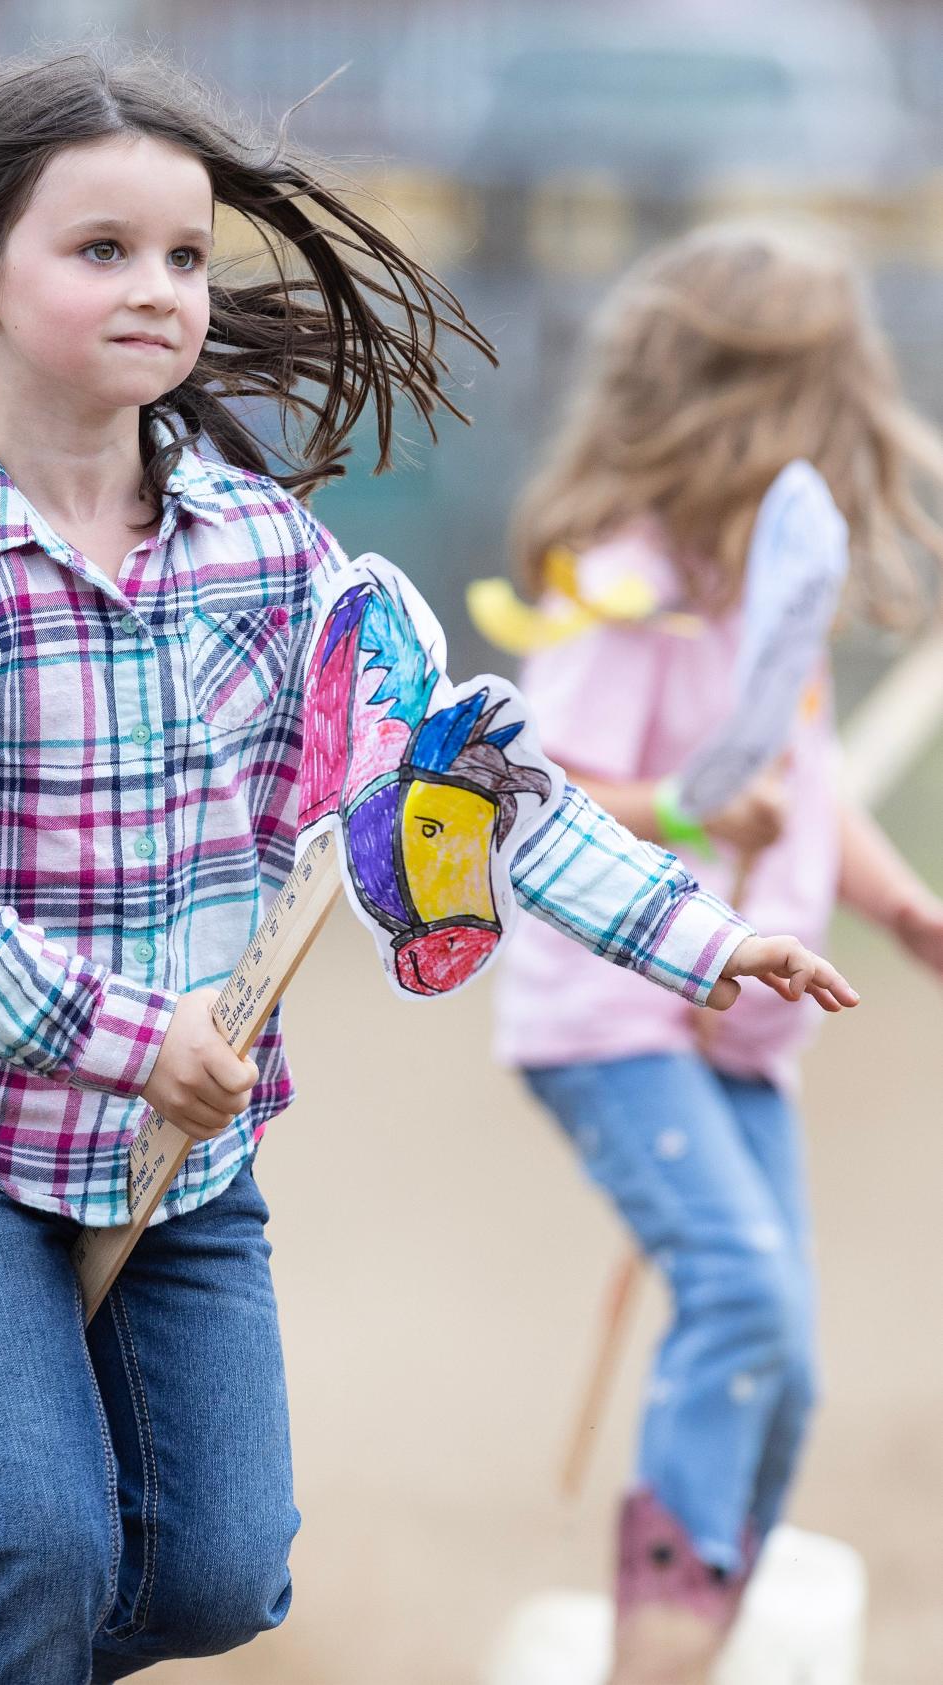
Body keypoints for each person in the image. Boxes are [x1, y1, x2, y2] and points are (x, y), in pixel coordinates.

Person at [0, 56, 855, 1682]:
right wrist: (129, 1036)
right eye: (101, 251)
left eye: (180, 256)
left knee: (222, 1573)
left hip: (186, 1168)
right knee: (43, 1534)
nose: (157, 289)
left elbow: (464, 782)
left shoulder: (265, 551)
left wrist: (697, 937)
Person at [491, 220, 943, 1684]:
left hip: (747, 1029)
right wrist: (689, 804)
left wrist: (894, 899)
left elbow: (802, 780)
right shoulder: (627, 587)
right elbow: (534, 789)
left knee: (783, 1368)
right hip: (617, 1018)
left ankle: (694, 1639)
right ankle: (659, 1660)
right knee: (740, 1300)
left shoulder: (766, 591)